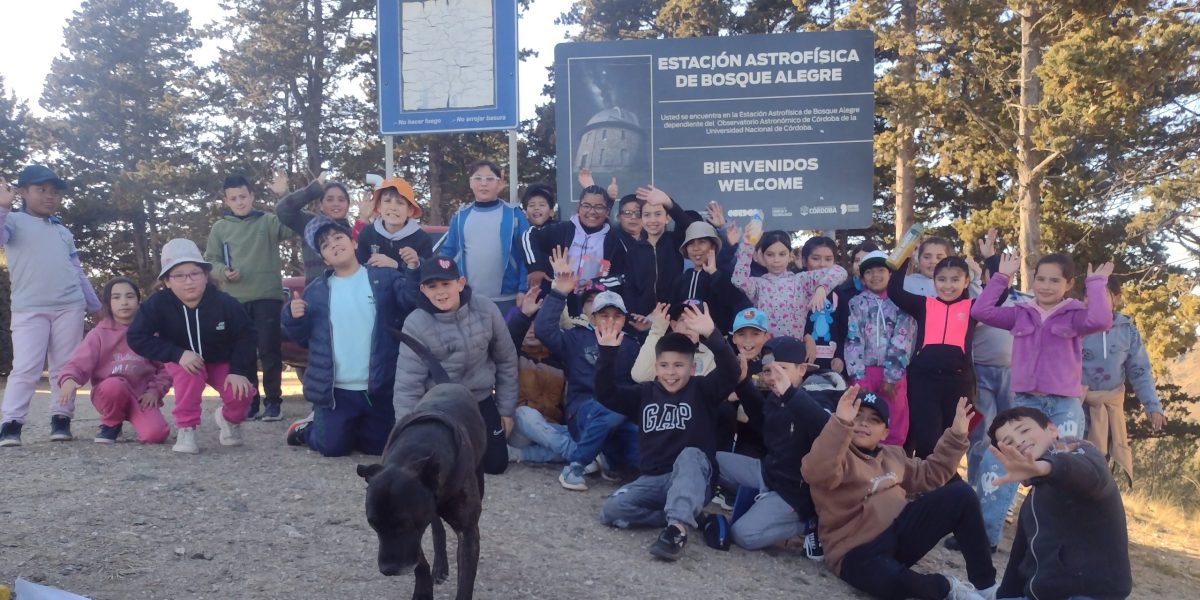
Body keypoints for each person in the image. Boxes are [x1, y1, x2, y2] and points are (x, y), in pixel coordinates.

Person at [970, 252, 1113, 545]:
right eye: (1041, 278)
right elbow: (981, 311)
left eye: (1055, 280)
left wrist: (1096, 284)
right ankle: (984, 537)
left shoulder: (1074, 315)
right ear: (1032, 279)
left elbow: (1101, 319)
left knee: (1065, 470)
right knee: (996, 461)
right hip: (1025, 406)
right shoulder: (1020, 312)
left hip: (1063, 407)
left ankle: (1061, 542)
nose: (1046, 285)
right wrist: (1001, 278)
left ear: (1069, 283)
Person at [802, 388, 997, 600]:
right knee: (891, 584)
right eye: (857, 416)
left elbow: (932, 474)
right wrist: (840, 423)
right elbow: (817, 472)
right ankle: (948, 588)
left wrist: (957, 435)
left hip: (900, 532)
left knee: (961, 494)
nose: (864, 423)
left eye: (874, 420)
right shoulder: (834, 457)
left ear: (885, 432)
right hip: (856, 551)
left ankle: (987, 586)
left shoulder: (893, 455)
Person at [594, 303, 741, 562]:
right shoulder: (645, 394)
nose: (670, 373)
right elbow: (606, 393)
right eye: (664, 365)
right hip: (653, 479)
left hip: (692, 477)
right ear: (656, 367)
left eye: (678, 366)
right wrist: (607, 354)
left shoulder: (702, 390)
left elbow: (730, 371)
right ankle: (683, 514)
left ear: (692, 368)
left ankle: (677, 530)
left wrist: (712, 335)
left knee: (690, 454)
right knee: (611, 511)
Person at [283, 217, 418, 456]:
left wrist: (412, 268)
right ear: (324, 258)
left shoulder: (382, 277)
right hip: (337, 391)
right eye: (325, 245)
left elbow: (411, 301)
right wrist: (293, 317)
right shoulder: (316, 291)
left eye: (338, 238)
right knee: (333, 448)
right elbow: (303, 338)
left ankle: (350, 429)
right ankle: (308, 429)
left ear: (354, 242)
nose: (334, 245)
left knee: (379, 449)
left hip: (378, 388)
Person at [518, 247, 640, 490]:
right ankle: (575, 464)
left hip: (618, 417)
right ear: (593, 318)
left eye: (617, 316)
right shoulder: (577, 338)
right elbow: (545, 331)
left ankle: (604, 458)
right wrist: (558, 294)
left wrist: (650, 330)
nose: (610, 321)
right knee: (607, 408)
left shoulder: (631, 346)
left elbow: (642, 381)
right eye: (603, 315)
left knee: (640, 441)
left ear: (624, 320)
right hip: (583, 410)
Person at [0, 166, 102, 446]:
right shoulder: (13, 220)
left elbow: (78, 272)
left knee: (65, 366)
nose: (49, 196)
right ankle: (11, 424)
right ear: (22, 192)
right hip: (29, 308)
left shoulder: (62, 231)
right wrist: (2, 206)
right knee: (26, 368)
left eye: (54, 192)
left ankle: (61, 418)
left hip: (69, 306)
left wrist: (96, 308)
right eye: (41, 190)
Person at [127, 239, 257, 454]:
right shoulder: (157, 304)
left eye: (195, 273)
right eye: (179, 275)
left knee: (241, 393)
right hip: (183, 360)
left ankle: (229, 419)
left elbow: (247, 335)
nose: (188, 281)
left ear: (206, 276)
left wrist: (239, 371)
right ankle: (186, 428)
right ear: (167, 281)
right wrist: (176, 354)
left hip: (220, 360)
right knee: (190, 374)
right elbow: (136, 336)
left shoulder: (225, 303)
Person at [988, 407, 1131, 600]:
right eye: (1008, 442)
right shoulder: (1032, 501)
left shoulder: (1084, 455)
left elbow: (1090, 474)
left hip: (1091, 594)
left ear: (1052, 430)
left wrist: (1045, 467)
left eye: (1024, 430)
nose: (1019, 441)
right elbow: (1018, 562)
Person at [392, 256, 518, 475]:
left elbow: (506, 360)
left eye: (446, 284)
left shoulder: (486, 309)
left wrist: (506, 411)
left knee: (496, 465)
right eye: (432, 286)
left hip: (480, 399)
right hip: (440, 406)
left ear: (460, 283)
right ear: (423, 289)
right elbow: (407, 385)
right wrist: (406, 433)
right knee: (436, 471)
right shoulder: (415, 323)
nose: (440, 292)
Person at [719, 336, 830, 554]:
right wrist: (742, 383)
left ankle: (809, 525)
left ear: (802, 369)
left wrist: (790, 395)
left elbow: (826, 427)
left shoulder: (818, 394)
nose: (773, 376)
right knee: (710, 460)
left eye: (782, 368)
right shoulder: (774, 397)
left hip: (794, 494)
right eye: (768, 370)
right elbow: (763, 421)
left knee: (743, 535)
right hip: (768, 474)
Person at [205, 175, 296, 421]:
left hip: (267, 295)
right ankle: (250, 402)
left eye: (243, 196)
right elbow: (210, 261)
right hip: (234, 299)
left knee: (269, 350)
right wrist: (223, 272)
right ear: (226, 200)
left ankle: (274, 402)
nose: (239, 202)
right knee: (243, 353)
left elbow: (292, 223)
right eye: (233, 198)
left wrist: (284, 195)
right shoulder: (220, 228)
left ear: (252, 196)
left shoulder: (268, 221)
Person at [57, 277, 172, 444]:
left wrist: (154, 391)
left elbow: (166, 368)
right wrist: (69, 378)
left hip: (141, 397)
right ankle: (112, 423)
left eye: (130, 296)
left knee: (156, 435)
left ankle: (138, 418)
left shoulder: (150, 332)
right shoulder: (99, 334)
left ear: (138, 301)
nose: (124, 302)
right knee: (114, 386)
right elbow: (79, 361)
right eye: (116, 297)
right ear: (108, 304)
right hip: (109, 394)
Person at [887, 255, 980, 458]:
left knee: (952, 438)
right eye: (942, 279)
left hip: (958, 380)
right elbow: (894, 291)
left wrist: (995, 267)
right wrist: (903, 260)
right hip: (923, 379)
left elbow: (996, 298)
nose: (948, 285)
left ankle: (945, 485)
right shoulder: (924, 304)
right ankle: (923, 486)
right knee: (927, 439)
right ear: (934, 282)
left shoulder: (973, 307)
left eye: (955, 279)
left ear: (966, 282)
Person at [1081, 279, 1165, 484]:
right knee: (1078, 457)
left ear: (1116, 299)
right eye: (1089, 296)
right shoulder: (1076, 327)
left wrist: (1152, 404)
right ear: (1083, 299)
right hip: (1078, 404)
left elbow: (1139, 370)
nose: (1095, 301)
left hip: (1111, 408)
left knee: (1102, 463)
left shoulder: (1128, 331)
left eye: (1103, 296)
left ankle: (1098, 506)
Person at [438, 159, 529, 314]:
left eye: (490, 179)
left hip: (508, 299)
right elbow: (448, 254)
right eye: (478, 178)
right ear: (471, 183)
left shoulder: (514, 215)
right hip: (469, 298)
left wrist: (523, 289)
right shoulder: (460, 217)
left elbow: (526, 256)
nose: (484, 184)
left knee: (507, 338)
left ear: (499, 184)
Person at [845, 251, 916, 447]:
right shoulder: (856, 303)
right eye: (869, 272)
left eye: (881, 270)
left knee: (894, 420)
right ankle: (861, 464)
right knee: (861, 417)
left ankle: (892, 466)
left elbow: (903, 339)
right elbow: (853, 339)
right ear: (861, 278)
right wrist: (858, 377)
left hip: (893, 374)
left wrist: (891, 377)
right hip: (864, 372)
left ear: (890, 274)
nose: (875, 275)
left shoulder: (901, 301)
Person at [731, 225, 847, 341]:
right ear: (762, 256)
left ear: (790, 255)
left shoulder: (802, 280)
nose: (776, 260)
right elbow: (739, 280)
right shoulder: (757, 284)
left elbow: (839, 271)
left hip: (794, 349)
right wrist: (747, 245)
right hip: (766, 349)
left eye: (782, 254)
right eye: (770, 254)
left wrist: (822, 288)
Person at [669, 221, 752, 335]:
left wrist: (713, 272)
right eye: (691, 243)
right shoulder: (680, 280)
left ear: (712, 246)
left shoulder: (723, 274)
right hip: (684, 341)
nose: (696, 248)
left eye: (702, 242)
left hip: (714, 342)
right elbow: (672, 312)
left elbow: (733, 300)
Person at [270, 170, 354, 282]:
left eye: (341, 200)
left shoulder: (355, 233)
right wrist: (313, 190)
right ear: (321, 205)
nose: (336, 203)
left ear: (348, 205)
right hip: (316, 296)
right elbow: (284, 210)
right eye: (329, 199)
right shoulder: (311, 224)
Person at [637, 185, 700, 303]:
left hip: (673, 312)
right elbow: (630, 286)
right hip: (644, 316)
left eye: (658, 214)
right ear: (641, 219)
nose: (652, 220)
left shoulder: (674, 241)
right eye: (647, 215)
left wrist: (668, 202)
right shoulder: (634, 249)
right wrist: (636, 314)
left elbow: (684, 222)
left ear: (667, 218)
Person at [354, 177, 434, 271]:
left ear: (410, 210)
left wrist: (397, 265)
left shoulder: (423, 240)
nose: (393, 207)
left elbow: (427, 277)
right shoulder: (367, 233)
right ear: (379, 206)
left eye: (400, 202)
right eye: (387, 201)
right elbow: (358, 269)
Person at [799, 236, 845, 372]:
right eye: (816, 258)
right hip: (800, 364)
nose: (822, 264)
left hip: (831, 365)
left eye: (828, 259)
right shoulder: (794, 288)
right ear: (804, 261)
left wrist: (840, 356)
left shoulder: (839, 294)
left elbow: (845, 329)